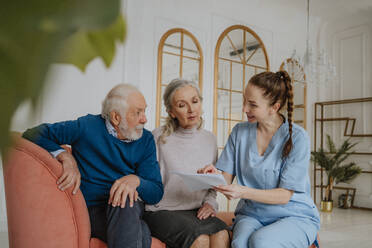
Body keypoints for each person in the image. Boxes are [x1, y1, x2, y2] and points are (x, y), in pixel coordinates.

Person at [22, 84, 163, 248]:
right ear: (116, 117)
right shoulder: (87, 126)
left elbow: (156, 193)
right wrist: (64, 156)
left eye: (144, 111)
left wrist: (136, 181)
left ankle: (136, 227)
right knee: (141, 231)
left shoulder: (145, 140)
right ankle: (139, 230)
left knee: (125, 197)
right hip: (94, 210)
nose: (144, 119)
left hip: (129, 208)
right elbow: (32, 134)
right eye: (138, 113)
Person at [198, 71, 320, 248]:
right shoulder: (239, 132)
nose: (244, 109)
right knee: (240, 244)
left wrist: (243, 192)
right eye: (244, 101)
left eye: (252, 105)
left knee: (261, 242)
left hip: (293, 214)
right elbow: (225, 180)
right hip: (252, 214)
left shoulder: (298, 138)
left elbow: (285, 195)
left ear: (274, 107)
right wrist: (213, 175)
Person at [144, 79, 230, 248]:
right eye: (182, 105)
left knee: (222, 235)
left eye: (195, 101)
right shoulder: (157, 137)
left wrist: (210, 204)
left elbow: (212, 186)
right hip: (162, 210)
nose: (191, 110)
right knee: (200, 240)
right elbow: (146, 181)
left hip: (196, 210)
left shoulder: (209, 139)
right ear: (171, 112)